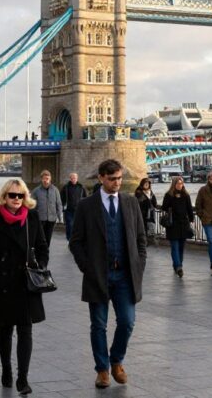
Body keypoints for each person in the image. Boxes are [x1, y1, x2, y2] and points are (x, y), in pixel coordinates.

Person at [69, 159, 147, 389]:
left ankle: (117, 360)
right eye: (112, 179)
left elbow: (141, 239)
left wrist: (139, 265)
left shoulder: (131, 203)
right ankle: (102, 369)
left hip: (125, 275)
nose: (117, 183)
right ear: (101, 178)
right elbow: (76, 242)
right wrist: (87, 267)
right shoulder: (86, 206)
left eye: (120, 178)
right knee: (99, 325)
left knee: (128, 321)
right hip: (98, 276)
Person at [0, 178, 49, 394]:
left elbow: (43, 247)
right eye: (12, 195)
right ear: (4, 196)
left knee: (26, 331)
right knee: (5, 330)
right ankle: (6, 369)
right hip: (3, 283)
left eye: (21, 195)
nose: (17, 199)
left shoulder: (32, 217)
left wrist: (39, 266)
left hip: (26, 282)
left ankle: (22, 378)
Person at [161, 176, 194, 276]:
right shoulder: (169, 195)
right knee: (174, 246)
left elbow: (189, 209)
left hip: (183, 224)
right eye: (178, 183)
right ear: (174, 184)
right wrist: (171, 202)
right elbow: (164, 207)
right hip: (172, 224)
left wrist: (192, 219)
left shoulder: (186, 195)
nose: (180, 185)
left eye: (181, 183)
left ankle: (178, 265)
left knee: (181, 247)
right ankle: (178, 266)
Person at [30, 170, 63, 247]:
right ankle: (39, 251)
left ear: (50, 179)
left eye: (47, 178)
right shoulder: (36, 191)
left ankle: (45, 251)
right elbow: (31, 204)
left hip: (52, 218)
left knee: (48, 237)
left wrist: (60, 217)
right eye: (44, 179)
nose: (46, 180)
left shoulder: (55, 190)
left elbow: (59, 204)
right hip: (40, 218)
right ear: (41, 179)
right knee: (40, 237)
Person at [60, 172, 87, 241]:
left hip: (78, 210)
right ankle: (69, 238)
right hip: (68, 209)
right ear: (70, 179)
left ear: (77, 178)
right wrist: (62, 206)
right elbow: (61, 197)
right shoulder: (66, 187)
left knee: (78, 225)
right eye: (72, 178)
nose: (73, 179)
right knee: (69, 224)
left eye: (74, 178)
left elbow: (85, 198)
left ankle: (76, 238)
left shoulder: (81, 187)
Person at [133, 178, 158, 244]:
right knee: (142, 227)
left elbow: (154, 203)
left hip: (150, 213)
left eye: (148, 184)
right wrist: (147, 197)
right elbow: (138, 202)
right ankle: (143, 242)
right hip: (142, 213)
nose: (147, 185)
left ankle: (149, 240)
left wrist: (149, 196)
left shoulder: (150, 192)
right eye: (145, 184)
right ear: (142, 184)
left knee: (150, 226)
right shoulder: (138, 192)